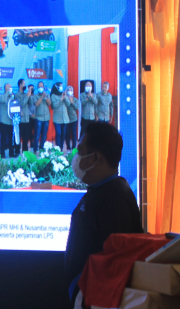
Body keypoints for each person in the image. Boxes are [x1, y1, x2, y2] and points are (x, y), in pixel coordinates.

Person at [64, 121, 143, 307]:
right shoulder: (100, 191)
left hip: (95, 299)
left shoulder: (114, 199)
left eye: (80, 152)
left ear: (95, 158)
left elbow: (113, 267)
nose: (76, 158)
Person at [51, 82, 71, 150]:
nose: (61, 87)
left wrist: (65, 98)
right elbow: (54, 105)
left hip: (65, 118)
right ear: (57, 87)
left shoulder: (63, 94)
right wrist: (61, 99)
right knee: (58, 133)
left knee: (63, 133)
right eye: (60, 86)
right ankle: (57, 148)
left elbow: (68, 104)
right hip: (57, 118)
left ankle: (61, 148)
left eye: (62, 86)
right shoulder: (53, 95)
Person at [14, 79, 32, 153]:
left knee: (26, 137)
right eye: (24, 84)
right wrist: (27, 96)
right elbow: (20, 104)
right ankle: (17, 151)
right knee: (19, 136)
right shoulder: (17, 95)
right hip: (20, 119)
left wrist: (30, 94)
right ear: (20, 85)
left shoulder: (26, 94)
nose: (25, 85)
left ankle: (25, 152)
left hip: (26, 119)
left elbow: (30, 103)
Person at [33, 81, 51, 153]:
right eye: (39, 87)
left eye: (41, 86)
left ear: (44, 87)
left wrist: (45, 97)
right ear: (37, 88)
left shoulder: (47, 95)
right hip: (39, 118)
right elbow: (36, 104)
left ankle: (42, 148)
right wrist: (41, 97)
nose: (40, 88)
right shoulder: (35, 96)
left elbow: (49, 103)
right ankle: (35, 149)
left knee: (44, 135)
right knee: (37, 135)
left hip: (46, 118)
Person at [0, 83, 15, 158]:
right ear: (5, 88)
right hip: (4, 121)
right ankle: (2, 153)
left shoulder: (12, 97)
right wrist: (7, 93)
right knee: (3, 138)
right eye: (9, 87)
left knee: (11, 138)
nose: (10, 88)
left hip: (11, 121)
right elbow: (2, 100)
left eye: (11, 87)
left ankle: (11, 153)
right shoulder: (1, 96)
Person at [65, 85, 79, 152]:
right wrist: (67, 100)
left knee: (73, 134)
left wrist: (72, 102)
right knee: (67, 134)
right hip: (67, 119)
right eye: (68, 90)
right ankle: (68, 148)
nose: (70, 91)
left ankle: (74, 148)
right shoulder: (65, 99)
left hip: (74, 119)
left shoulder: (75, 99)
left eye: (71, 90)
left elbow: (77, 107)